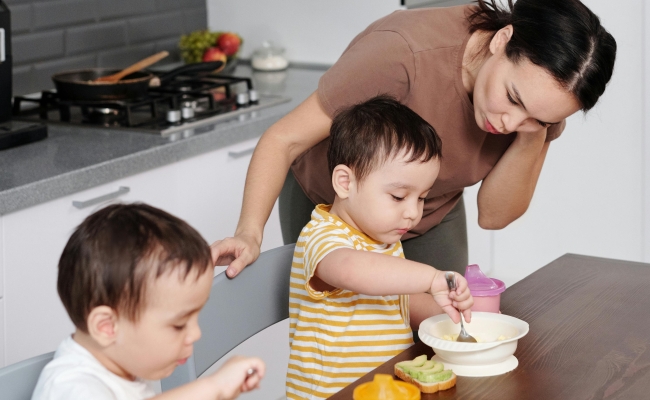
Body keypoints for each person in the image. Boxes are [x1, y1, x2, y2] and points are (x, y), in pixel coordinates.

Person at [210, 0, 617, 278]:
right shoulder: (402, 56)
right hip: (334, 204)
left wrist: (535, 137)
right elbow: (284, 140)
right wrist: (249, 232)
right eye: (512, 98)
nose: (510, 123)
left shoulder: (539, 109)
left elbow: (493, 215)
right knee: (349, 348)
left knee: (440, 339)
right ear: (501, 40)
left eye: (538, 119)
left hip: (432, 209)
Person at [285, 96, 474, 400]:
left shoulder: (383, 239)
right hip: (331, 394)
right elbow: (351, 270)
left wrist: (450, 314)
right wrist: (431, 277)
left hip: (385, 389)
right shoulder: (322, 236)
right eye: (399, 197)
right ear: (345, 183)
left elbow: (400, 303)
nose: (413, 212)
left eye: (421, 197)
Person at [32, 203, 265, 400]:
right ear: (107, 327)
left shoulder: (125, 361)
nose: (195, 334)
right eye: (179, 324)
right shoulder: (68, 388)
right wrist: (213, 387)